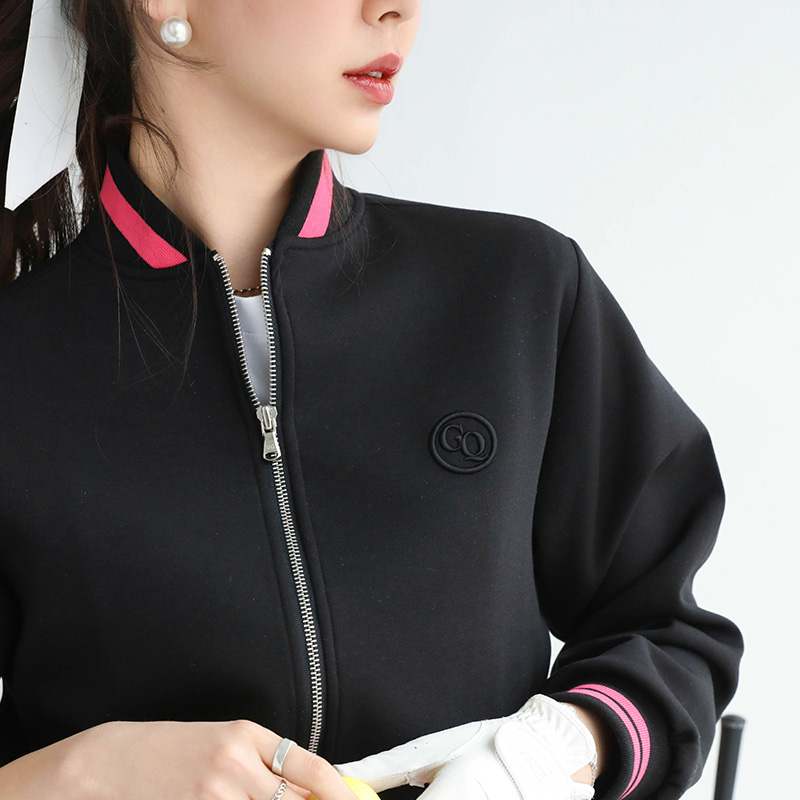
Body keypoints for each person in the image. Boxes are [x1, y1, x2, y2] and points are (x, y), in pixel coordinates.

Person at [0, 2, 743, 799]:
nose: (398, 8)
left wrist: (551, 753)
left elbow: (667, 630)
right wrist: (73, 774)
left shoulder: (516, 292)